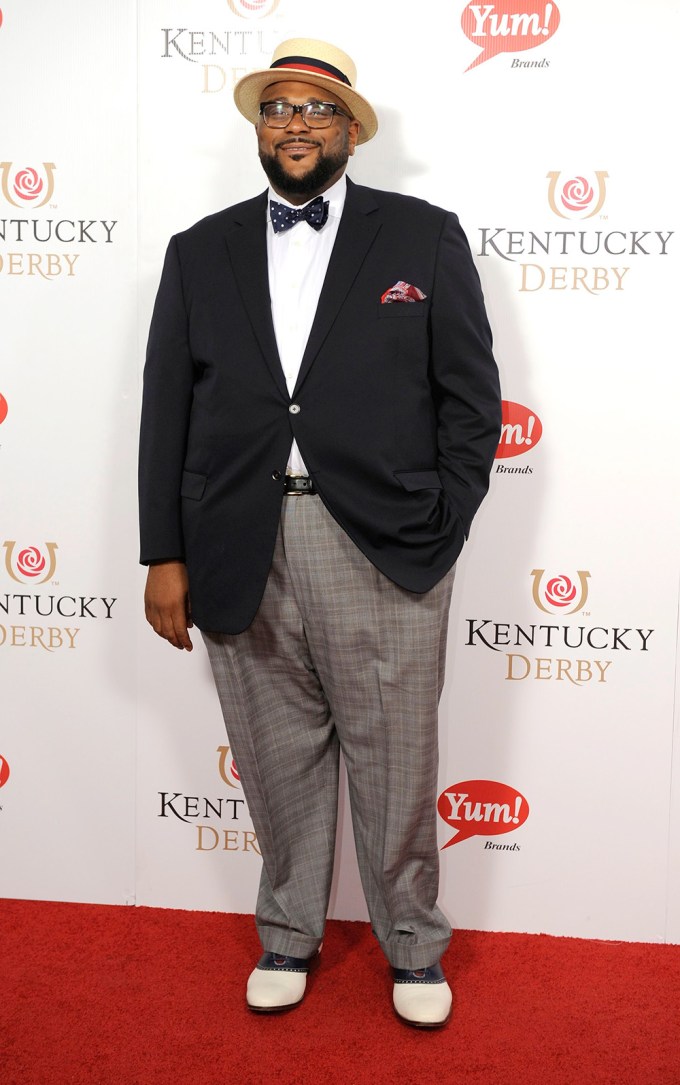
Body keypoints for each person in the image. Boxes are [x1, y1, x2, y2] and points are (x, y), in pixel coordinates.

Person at [139, 38, 501, 1028]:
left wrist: (442, 517)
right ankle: (287, 931)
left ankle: (414, 947)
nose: (294, 124)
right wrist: (163, 552)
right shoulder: (198, 249)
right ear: (258, 127)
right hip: (237, 540)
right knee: (273, 751)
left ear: (349, 129)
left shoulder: (420, 237)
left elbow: (472, 400)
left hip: (380, 541)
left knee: (394, 756)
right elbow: (165, 412)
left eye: (315, 109)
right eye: (276, 108)